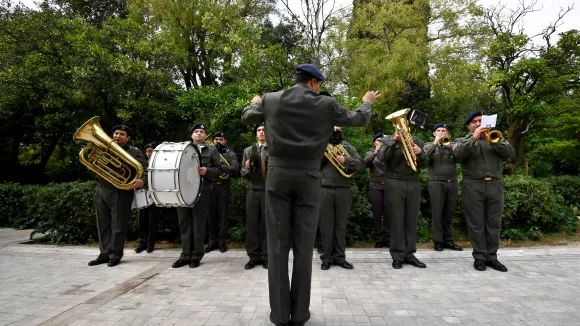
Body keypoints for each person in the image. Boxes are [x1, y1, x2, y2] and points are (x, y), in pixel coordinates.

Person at [242, 63, 380, 326]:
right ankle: (301, 314)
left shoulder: (271, 100)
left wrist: (255, 101)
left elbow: (247, 116)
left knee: (277, 245)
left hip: (277, 177)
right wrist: (366, 102)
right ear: (315, 83)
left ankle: (280, 315)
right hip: (309, 177)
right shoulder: (326, 105)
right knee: (304, 247)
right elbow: (359, 119)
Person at [454, 111, 514, 272]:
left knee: (494, 223)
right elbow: (457, 155)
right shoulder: (462, 141)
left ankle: (492, 257)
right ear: (468, 126)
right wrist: (474, 137)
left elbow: (510, 154)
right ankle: (480, 257)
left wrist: (497, 142)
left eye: (481, 121)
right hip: (473, 185)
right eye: (474, 121)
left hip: (495, 184)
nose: (478, 124)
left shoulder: (496, 138)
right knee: (476, 223)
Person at [88, 125, 148, 267]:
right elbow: (95, 169)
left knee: (118, 226)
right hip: (102, 189)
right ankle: (104, 253)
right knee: (102, 225)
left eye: (122, 134)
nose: (118, 136)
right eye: (116, 133)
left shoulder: (134, 152)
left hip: (121, 191)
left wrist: (143, 181)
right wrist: (93, 162)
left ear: (128, 138)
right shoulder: (103, 148)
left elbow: (146, 169)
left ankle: (115, 254)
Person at [378, 120, 427, 270]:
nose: (401, 125)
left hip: (413, 181)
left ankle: (410, 254)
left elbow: (425, 164)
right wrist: (395, 140)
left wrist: (421, 153)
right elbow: (382, 157)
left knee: (411, 219)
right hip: (394, 181)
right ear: (394, 125)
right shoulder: (387, 140)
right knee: (397, 219)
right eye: (398, 123)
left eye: (403, 122)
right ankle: (398, 255)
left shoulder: (417, 140)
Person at [172, 123, 221, 269]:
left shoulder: (212, 150)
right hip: (183, 191)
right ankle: (185, 255)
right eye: (196, 131)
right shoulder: (182, 150)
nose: (198, 133)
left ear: (205, 136)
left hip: (202, 191)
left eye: (201, 132)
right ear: (191, 135)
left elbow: (218, 170)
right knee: (184, 223)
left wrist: (207, 171)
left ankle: (197, 255)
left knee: (198, 224)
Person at [319, 126, 366, 270]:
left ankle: (340, 258)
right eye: (332, 128)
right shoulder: (321, 147)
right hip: (324, 189)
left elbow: (362, 166)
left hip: (343, 190)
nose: (335, 130)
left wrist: (345, 160)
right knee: (326, 226)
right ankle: (326, 258)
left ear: (341, 131)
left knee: (340, 226)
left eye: (338, 128)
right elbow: (312, 164)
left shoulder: (349, 149)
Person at [424, 123, 463, 252]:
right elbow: (425, 159)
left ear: (447, 133)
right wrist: (435, 143)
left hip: (451, 182)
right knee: (437, 213)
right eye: (438, 130)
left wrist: (449, 147)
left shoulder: (453, 145)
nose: (441, 133)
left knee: (449, 213)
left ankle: (449, 240)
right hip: (436, 183)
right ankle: (438, 241)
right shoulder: (428, 146)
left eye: (444, 131)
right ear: (434, 133)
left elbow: (460, 158)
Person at [240, 123, 268, 269]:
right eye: (259, 130)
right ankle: (253, 256)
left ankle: (266, 256)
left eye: (264, 130)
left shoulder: (273, 149)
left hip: (267, 190)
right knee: (252, 224)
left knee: (266, 224)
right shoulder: (248, 150)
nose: (261, 132)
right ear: (255, 133)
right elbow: (242, 173)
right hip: (252, 190)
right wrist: (247, 167)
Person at [207, 131, 240, 253]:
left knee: (223, 215)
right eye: (216, 139)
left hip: (224, 187)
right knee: (211, 216)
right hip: (211, 186)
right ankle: (212, 242)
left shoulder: (230, 154)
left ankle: (222, 242)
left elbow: (236, 169)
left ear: (225, 141)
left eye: (221, 139)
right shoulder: (209, 153)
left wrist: (221, 168)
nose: (218, 141)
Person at [364, 132, 390, 248]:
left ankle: (388, 238)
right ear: (374, 142)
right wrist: (376, 151)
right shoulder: (370, 153)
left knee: (388, 213)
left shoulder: (388, 154)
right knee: (377, 213)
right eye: (378, 140)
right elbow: (366, 163)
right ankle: (379, 239)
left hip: (389, 185)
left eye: (382, 140)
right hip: (375, 185)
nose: (380, 142)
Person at [135, 143, 160, 254]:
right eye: (147, 151)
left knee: (153, 219)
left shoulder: (159, 163)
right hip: (142, 192)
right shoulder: (141, 164)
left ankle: (151, 244)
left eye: (151, 151)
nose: (149, 153)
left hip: (154, 193)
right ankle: (141, 243)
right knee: (142, 219)